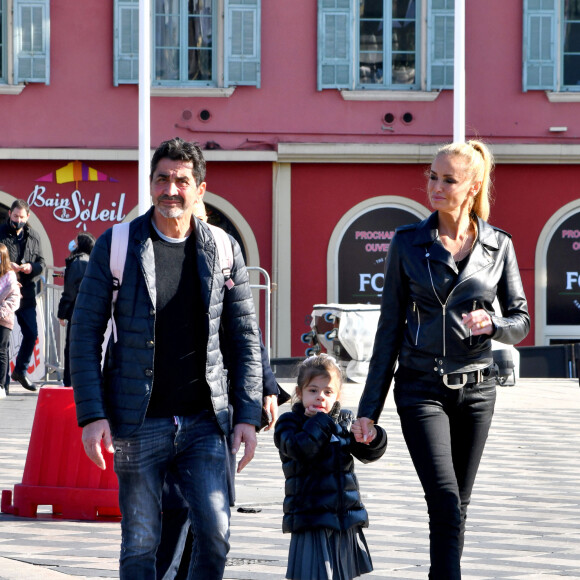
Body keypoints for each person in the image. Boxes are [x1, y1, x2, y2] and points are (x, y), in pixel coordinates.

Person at [70, 137, 263, 579]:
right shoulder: (117, 245)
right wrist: (91, 416)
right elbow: (84, 334)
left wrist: (248, 415)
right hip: (138, 423)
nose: (170, 190)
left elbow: (244, 338)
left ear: (200, 188)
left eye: (181, 180)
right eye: (162, 179)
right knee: (140, 544)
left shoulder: (224, 249)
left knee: (215, 536)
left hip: (204, 423)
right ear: (150, 183)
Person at [355, 140, 530, 579]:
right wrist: (368, 412)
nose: (435, 186)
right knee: (445, 500)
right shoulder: (408, 243)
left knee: (457, 506)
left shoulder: (498, 245)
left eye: (448, 179)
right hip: (420, 388)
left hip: (478, 390)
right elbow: (388, 331)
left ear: (471, 187)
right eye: (433, 176)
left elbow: (521, 320)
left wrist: (494, 325)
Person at [274, 354, 387, 580]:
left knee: (342, 573)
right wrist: (322, 421)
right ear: (299, 393)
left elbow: (366, 453)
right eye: (313, 390)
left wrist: (373, 437)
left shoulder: (342, 420)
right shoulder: (289, 422)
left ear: (337, 396)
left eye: (327, 392)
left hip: (343, 517)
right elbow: (301, 449)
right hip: (311, 518)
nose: (320, 398)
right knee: (314, 573)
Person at [0, 200, 45, 392]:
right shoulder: (1, 232)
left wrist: (30, 268)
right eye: (15, 216)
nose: (18, 220)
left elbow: (41, 263)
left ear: (27, 217)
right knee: (4, 341)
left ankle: (20, 370)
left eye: (21, 217)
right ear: (10, 213)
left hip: (26, 292)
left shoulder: (34, 236)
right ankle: (4, 384)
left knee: (31, 333)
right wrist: (5, 266)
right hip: (6, 292)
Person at [57, 232, 96, 387]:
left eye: (75, 240)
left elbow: (70, 292)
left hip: (77, 311)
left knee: (72, 349)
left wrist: (62, 313)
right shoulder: (91, 261)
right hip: (89, 311)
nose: (72, 242)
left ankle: (70, 383)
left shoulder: (78, 262)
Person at [0, 243, 21, 398]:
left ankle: (1, 385)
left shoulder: (10, 276)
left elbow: (14, 300)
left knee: (1, 351)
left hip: (4, 319)